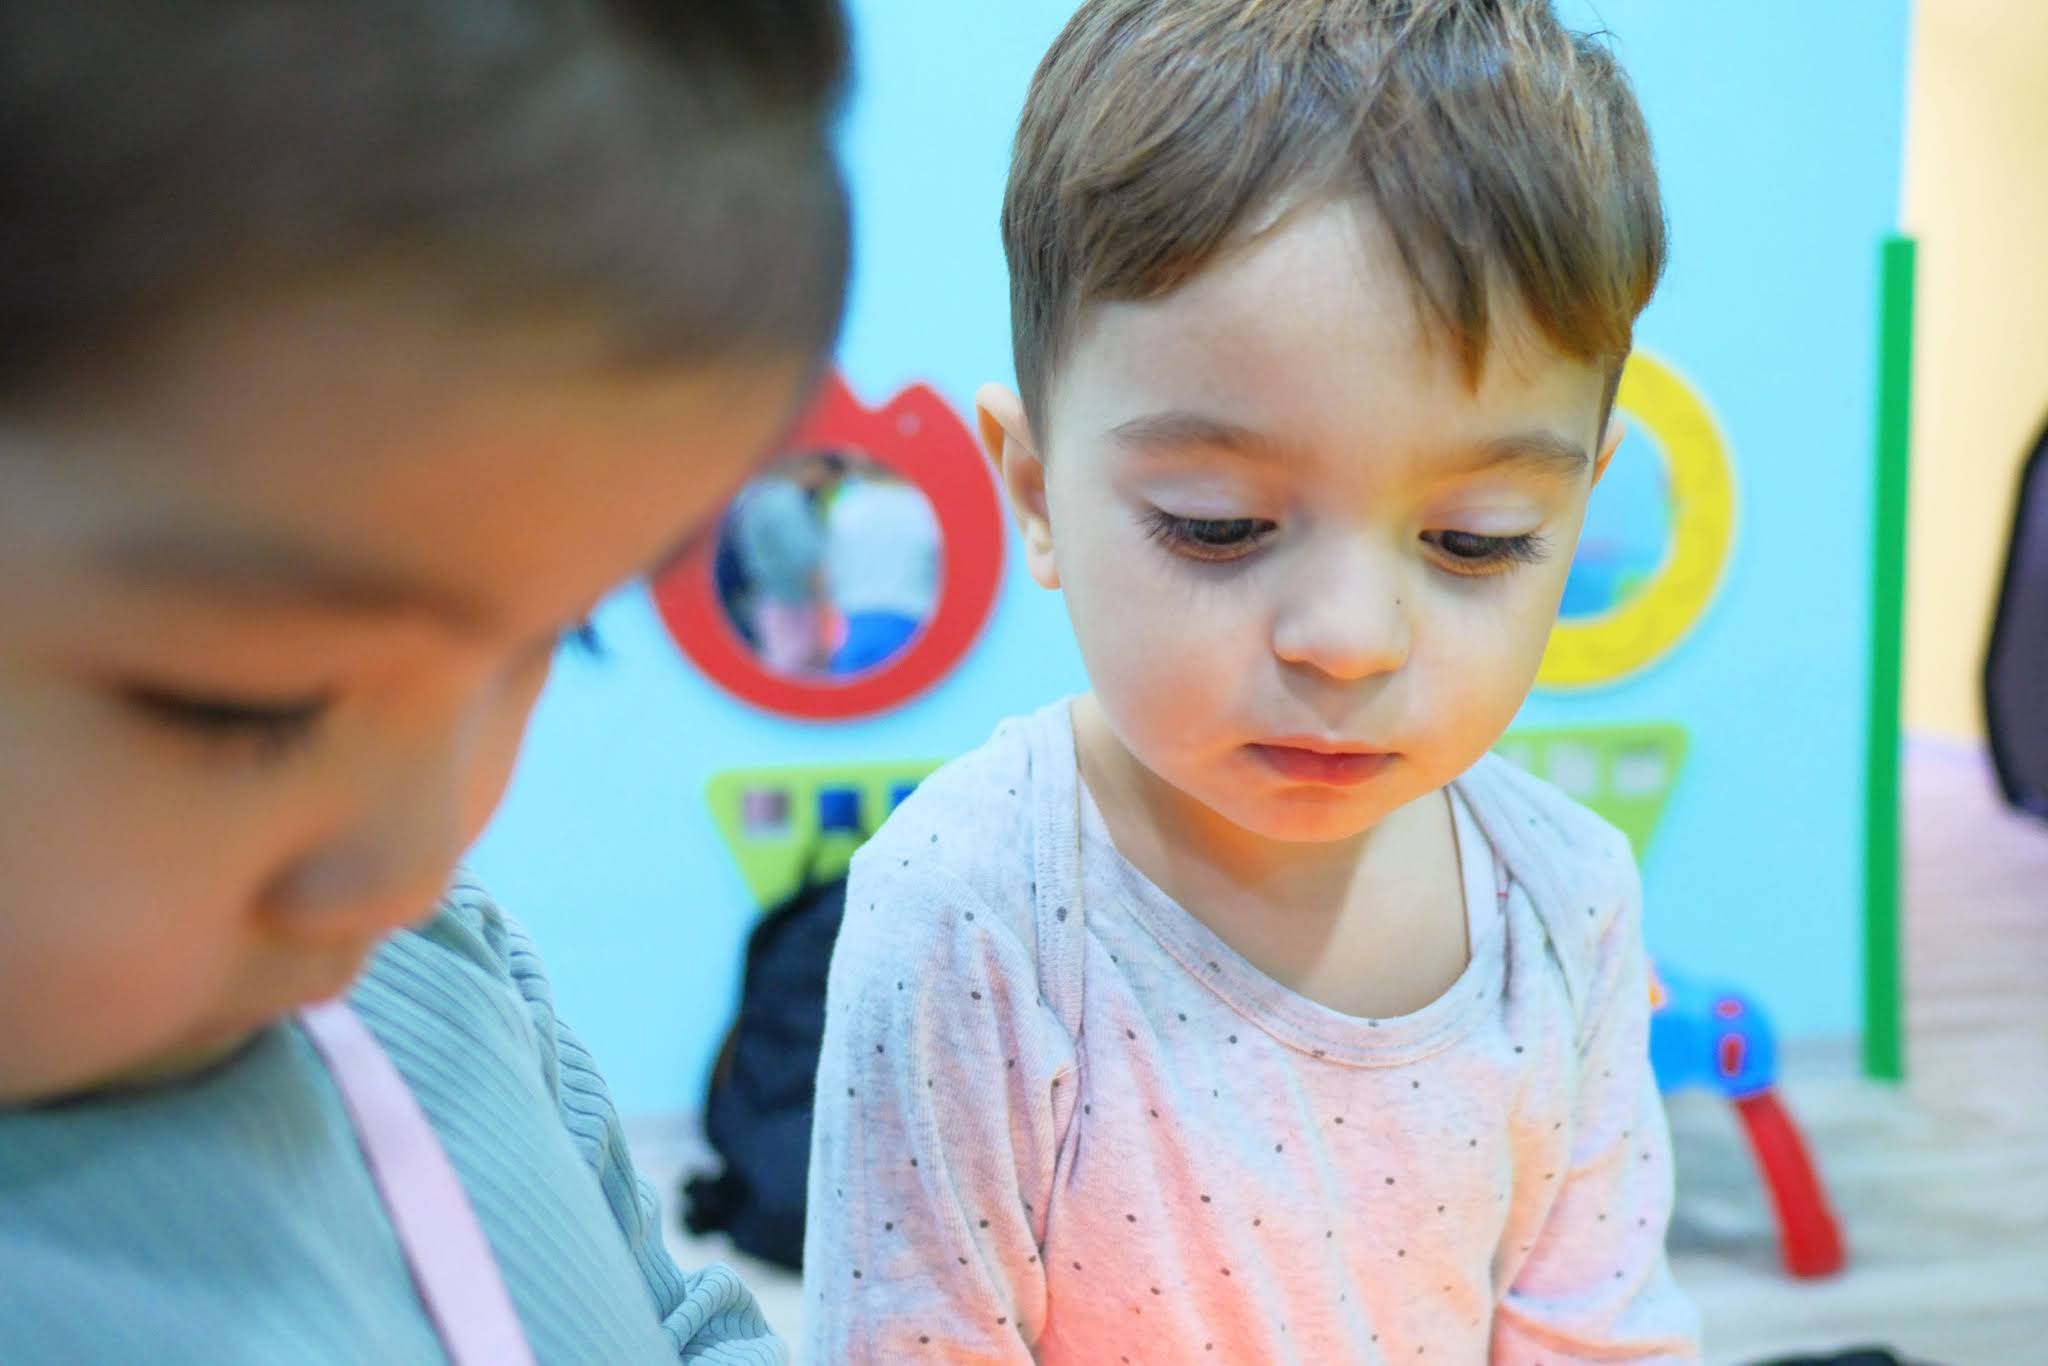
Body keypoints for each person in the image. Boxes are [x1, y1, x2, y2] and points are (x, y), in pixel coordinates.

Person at [803, 1, 1702, 1361]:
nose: (1349, 638)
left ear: (1575, 509)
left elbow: (1603, 1334)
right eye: (1218, 523)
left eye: (1476, 542)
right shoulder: (970, 915)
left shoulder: (1566, 904)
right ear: (1037, 492)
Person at [0, 1, 848, 1361]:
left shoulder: (437, 965)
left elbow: (676, 1320)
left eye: (551, 636)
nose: (410, 858)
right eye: (252, 704)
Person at [821, 466, 941, 675]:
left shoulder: (845, 506)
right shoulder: (922, 505)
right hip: (912, 617)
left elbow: (829, 568)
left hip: (853, 622)